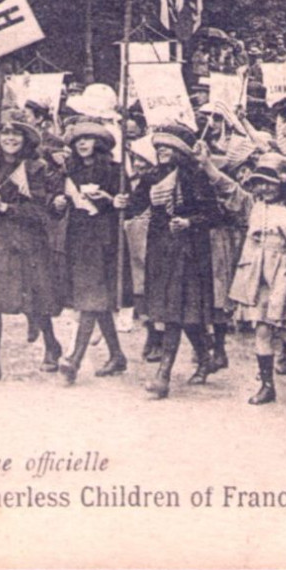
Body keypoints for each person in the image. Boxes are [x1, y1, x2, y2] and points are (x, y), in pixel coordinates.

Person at [121, 122, 222, 399]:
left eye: (168, 146)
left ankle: (163, 376)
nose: (162, 151)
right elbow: (134, 206)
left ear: (181, 150)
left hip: (189, 252)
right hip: (161, 251)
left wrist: (189, 222)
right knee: (182, 314)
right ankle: (205, 358)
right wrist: (118, 202)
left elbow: (214, 215)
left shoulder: (195, 177)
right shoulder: (152, 178)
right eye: (159, 147)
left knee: (174, 315)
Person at [0, 118, 66, 385]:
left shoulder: (37, 169)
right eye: (4, 133)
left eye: (16, 133)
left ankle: (52, 344)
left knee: (36, 299)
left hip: (29, 242)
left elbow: (43, 214)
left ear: (26, 139)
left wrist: (6, 208)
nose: (9, 138)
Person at [227, 153, 286, 405]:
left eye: (269, 182)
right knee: (262, 328)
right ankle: (267, 386)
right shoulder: (256, 206)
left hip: (284, 272)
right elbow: (229, 190)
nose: (263, 188)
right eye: (259, 182)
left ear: (283, 182)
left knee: (278, 327)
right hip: (257, 272)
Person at [54, 120, 129, 382]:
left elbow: (129, 204)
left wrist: (112, 200)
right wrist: (60, 203)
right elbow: (57, 207)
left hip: (105, 239)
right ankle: (117, 355)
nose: (82, 144)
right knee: (97, 300)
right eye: (77, 140)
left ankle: (74, 360)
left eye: (87, 139)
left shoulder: (115, 171)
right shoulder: (69, 172)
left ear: (100, 144)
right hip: (78, 239)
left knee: (91, 299)